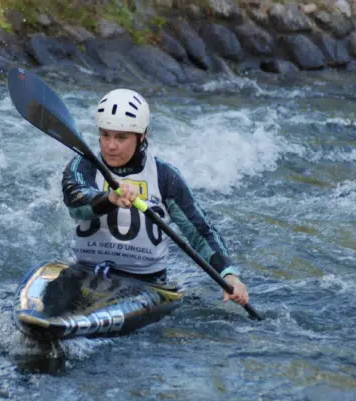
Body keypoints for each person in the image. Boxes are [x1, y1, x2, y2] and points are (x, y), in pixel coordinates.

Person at [61, 88, 249, 307]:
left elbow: (200, 231)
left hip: (146, 283)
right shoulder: (82, 165)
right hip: (84, 273)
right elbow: (77, 204)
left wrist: (229, 274)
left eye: (121, 137)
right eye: (105, 135)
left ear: (141, 137)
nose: (111, 146)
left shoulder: (164, 176)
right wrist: (109, 198)